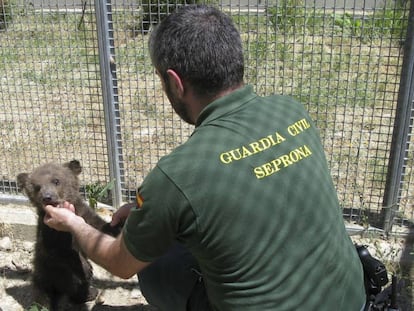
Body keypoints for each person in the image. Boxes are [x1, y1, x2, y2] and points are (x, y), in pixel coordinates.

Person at [43, 4, 366, 310]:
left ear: (175, 82)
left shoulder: (177, 175)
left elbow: (119, 262)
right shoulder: (292, 111)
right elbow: (245, 182)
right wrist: (159, 212)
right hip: (353, 299)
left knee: (156, 265)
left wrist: (73, 223)